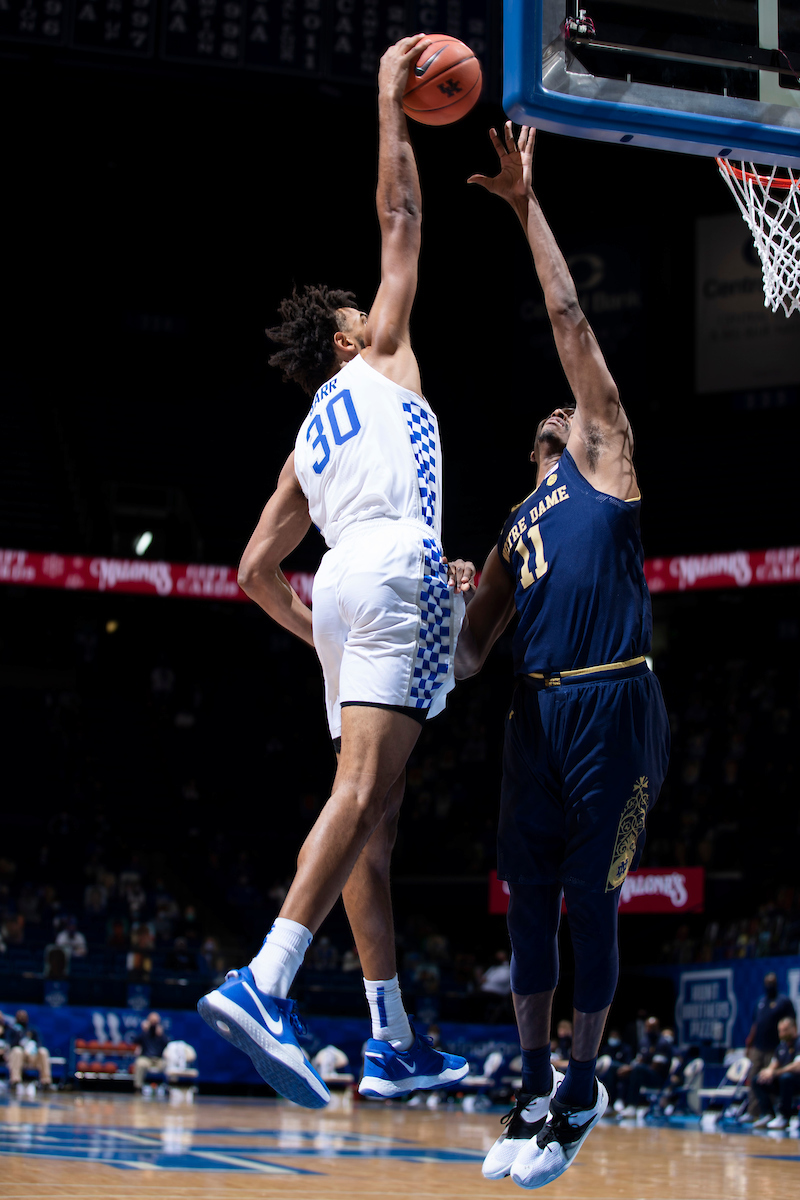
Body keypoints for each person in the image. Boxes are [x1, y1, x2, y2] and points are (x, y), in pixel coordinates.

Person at [197, 34, 472, 1110]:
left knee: (373, 818)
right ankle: (265, 982)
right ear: (352, 339)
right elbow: (400, 217)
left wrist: (319, 632)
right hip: (396, 567)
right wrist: (391, 106)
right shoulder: (386, 356)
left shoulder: (308, 437)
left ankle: (390, 1037)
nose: (374, 308)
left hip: (341, 588)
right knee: (360, 796)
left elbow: (254, 570)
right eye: (362, 312)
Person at [456, 123, 670, 1189]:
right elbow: (464, 660)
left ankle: (585, 1086)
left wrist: (524, 204)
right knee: (526, 906)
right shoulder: (513, 523)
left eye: (571, 404)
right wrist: (443, 597)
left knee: (592, 899)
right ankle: (534, 1085)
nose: (565, 403)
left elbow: (568, 317)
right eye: (554, 411)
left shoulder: (606, 451)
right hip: (530, 717)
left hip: (611, 706)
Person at [744, 971, 796, 1121]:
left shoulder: (783, 1001)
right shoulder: (760, 1002)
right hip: (758, 1047)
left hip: (773, 1047)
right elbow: (756, 1023)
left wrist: (774, 1071)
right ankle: (754, 1112)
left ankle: (773, 1114)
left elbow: (791, 1022)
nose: (769, 985)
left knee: (774, 1080)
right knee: (756, 1078)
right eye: (767, 982)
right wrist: (749, 1043)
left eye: (772, 983)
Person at [751, 1015, 800, 1130]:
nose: (782, 1034)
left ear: (794, 1029)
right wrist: (768, 1071)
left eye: (785, 1030)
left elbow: (797, 1066)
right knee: (758, 1080)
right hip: (783, 1082)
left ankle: (784, 1116)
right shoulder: (782, 1046)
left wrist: (776, 1072)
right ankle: (768, 1114)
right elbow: (774, 1063)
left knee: (785, 1078)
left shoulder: (798, 1043)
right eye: (780, 1031)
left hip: (796, 1082)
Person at [6, 1010, 53, 1092]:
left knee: (43, 1051)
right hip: (19, 1056)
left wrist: (33, 1048)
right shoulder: (12, 1030)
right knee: (17, 1051)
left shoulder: (32, 1029)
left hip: (32, 1056)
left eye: (23, 1016)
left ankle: (46, 1081)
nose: (22, 1018)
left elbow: (39, 1043)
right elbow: (10, 1045)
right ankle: (15, 1080)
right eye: (20, 1016)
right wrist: (18, 1035)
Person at [133, 1011, 168, 1093]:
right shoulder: (145, 1033)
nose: (153, 1024)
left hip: (158, 1059)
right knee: (140, 1064)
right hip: (146, 1058)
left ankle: (169, 1087)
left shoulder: (160, 1033)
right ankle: (138, 1087)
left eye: (155, 1021)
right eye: (152, 1021)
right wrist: (144, 1031)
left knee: (168, 1064)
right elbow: (135, 1041)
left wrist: (161, 1034)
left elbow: (167, 1043)